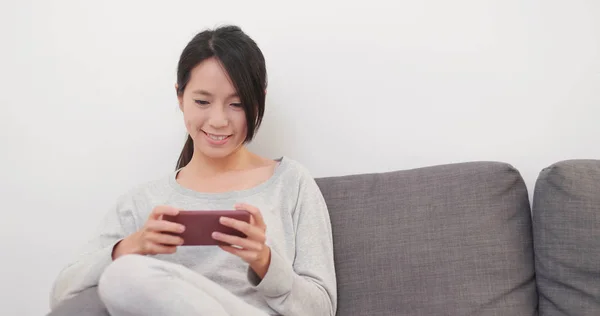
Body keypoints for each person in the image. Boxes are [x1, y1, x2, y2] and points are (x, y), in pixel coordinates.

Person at [49, 25, 337, 316]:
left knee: (124, 276)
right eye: (202, 101)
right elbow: (63, 292)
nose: (218, 120)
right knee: (123, 276)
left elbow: (322, 309)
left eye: (236, 104)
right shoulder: (142, 202)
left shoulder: (292, 183)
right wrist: (132, 245)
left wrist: (264, 262)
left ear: (257, 100)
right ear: (180, 96)